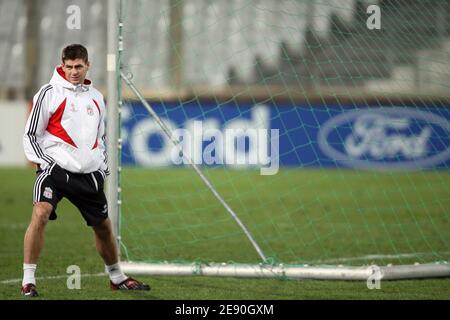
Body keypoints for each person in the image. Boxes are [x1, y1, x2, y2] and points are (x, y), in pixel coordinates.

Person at [21, 44, 150, 296]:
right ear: (62, 65)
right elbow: (31, 134)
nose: (73, 71)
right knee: (41, 212)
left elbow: (101, 138)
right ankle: (28, 279)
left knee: (103, 226)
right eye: (68, 66)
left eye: (78, 66)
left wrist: (102, 168)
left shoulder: (96, 97)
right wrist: (45, 164)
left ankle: (117, 276)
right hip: (55, 171)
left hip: (89, 174)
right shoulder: (49, 93)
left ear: (87, 65)